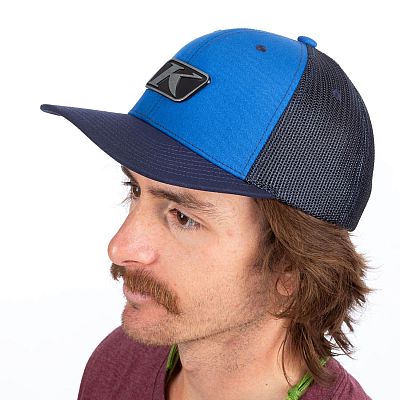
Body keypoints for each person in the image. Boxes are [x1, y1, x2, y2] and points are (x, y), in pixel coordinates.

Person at [40, 28, 374, 399]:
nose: (119, 248)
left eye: (183, 217)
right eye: (135, 190)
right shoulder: (119, 362)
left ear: (290, 270)